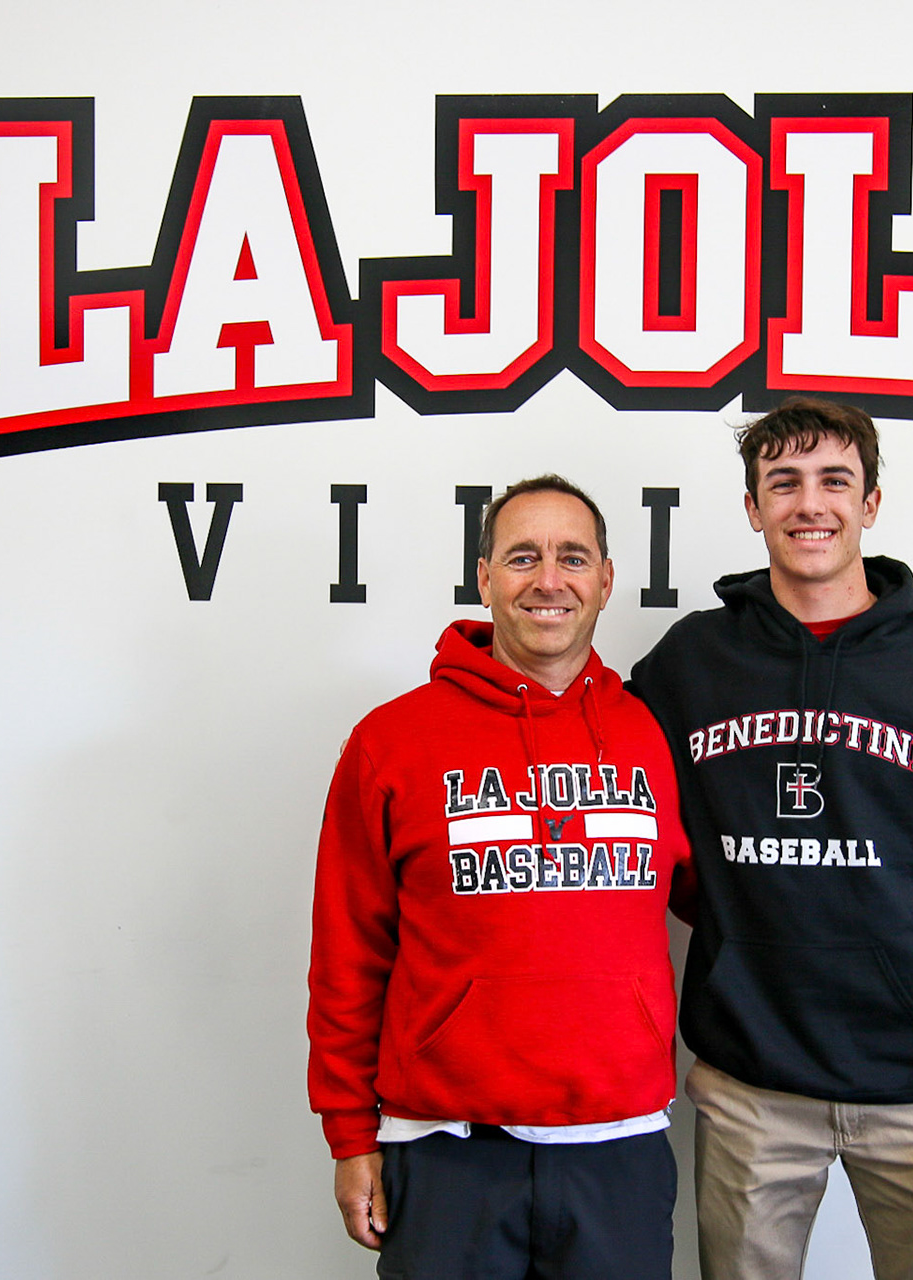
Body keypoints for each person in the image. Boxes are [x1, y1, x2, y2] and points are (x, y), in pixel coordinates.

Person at [629, 398, 913, 1280]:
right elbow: (617, 793)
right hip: (750, 1080)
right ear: (753, 508)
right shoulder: (692, 662)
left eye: (834, 480)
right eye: (783, 483)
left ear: (870, 503)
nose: (809, 504)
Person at [308, 475, 694, 1280]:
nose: (549, 580)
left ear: (605, 580)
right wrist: (349, 1133)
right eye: (523, 558)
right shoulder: (392, 742)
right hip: (445, 1149)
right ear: (484, 579)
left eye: (572, 558)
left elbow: (718, 895)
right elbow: (348, 955)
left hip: (619, 1147)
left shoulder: (649, 734)